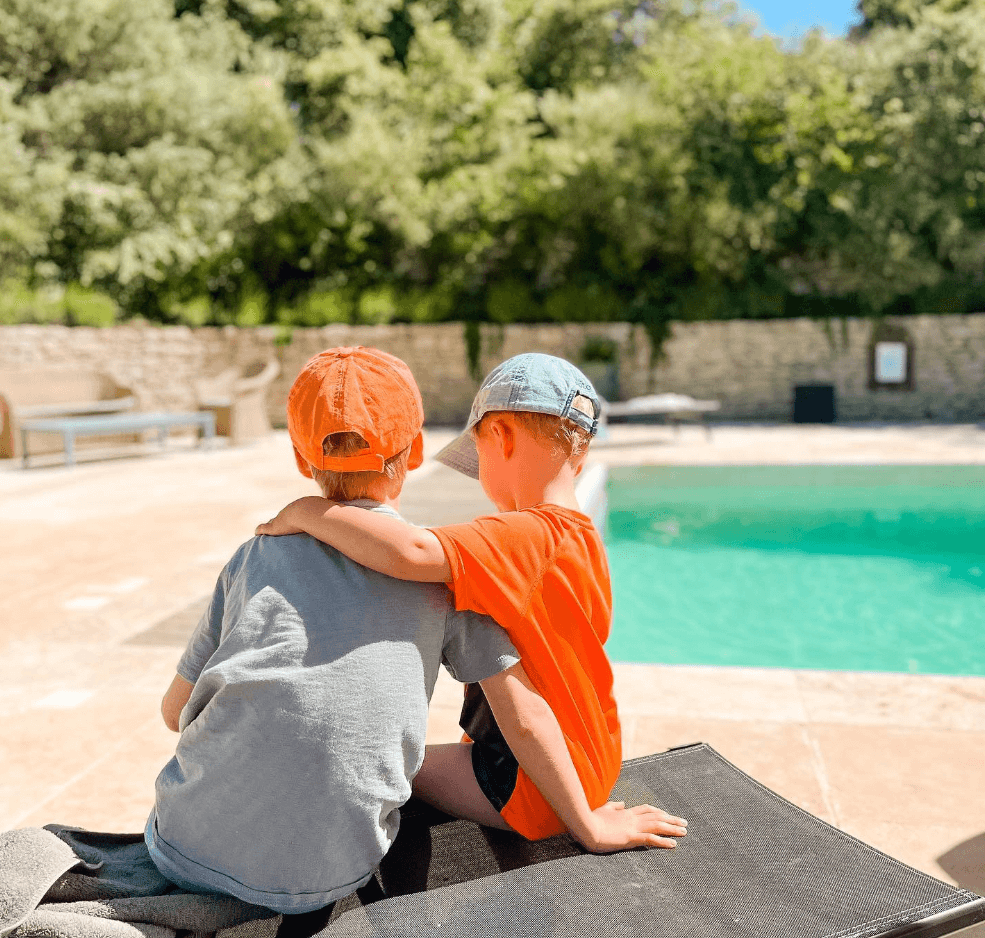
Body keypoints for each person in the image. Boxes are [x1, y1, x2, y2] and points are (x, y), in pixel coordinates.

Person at [147, 347, 681, 919]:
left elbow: (174, 712)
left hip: (185, 848)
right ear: (416, 452)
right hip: (571, 763)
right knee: (381, 754)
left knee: (382, 756)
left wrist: (305, 511)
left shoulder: (491, 548)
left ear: (304, 459)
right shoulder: (567, 545)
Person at [256, 352, 688, 846]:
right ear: (581, 454)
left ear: (500, 438)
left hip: (531, 787)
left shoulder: (522, 537)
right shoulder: (583, 539)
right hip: (590, 757)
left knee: (377, 761)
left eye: (478, 455)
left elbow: (409, 551)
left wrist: (308, 511)